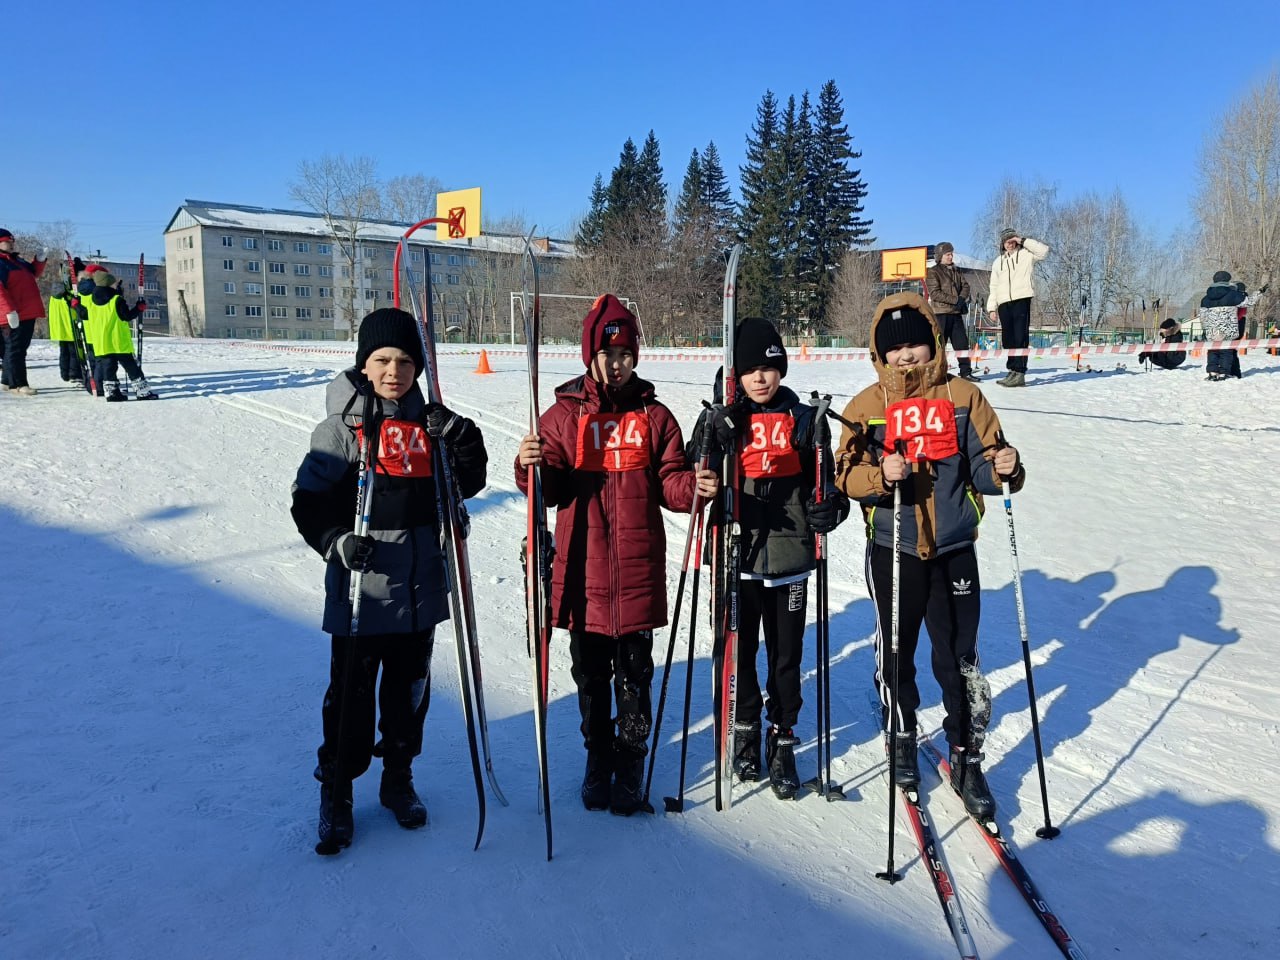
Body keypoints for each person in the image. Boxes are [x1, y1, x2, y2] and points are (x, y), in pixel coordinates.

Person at [291, 307, 488, 851]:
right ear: (363, 364)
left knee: (409, 696)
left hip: (421, 587)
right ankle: (337, 793)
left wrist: (463, 437)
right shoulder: (343, 429)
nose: (393, 370)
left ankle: (398, 779)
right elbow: (308, 501)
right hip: (362, 589)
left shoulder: (432, 425)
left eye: (404, 360)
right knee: (351, 698)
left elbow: (467, 483)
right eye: (381, 360)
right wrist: (334, 540)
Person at [514, 294, 717, 816]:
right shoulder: (563, 416)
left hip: (636, 569)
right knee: (591, 677)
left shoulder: (654, 416)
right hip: (583, 569)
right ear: (589, 355)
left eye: (626, 352)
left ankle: (629, 761)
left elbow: (670, 482)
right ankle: (596, 757)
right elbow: (550, 487)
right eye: (608, 353)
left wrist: (694, 485)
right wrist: (531, 465)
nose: (617, 362)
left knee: (635, 676)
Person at [833, 292, 1025, 821]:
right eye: (894, 348)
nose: (906, 356)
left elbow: (987, 466)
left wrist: (1006, 465)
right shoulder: (867, 407)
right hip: (894, 547)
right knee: (897, 648)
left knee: (960, 655)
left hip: (955, 548)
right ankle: (901, 732)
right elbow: (843, 476)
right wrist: (880, 477)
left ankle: (965, 752)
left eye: (915, 343)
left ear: (934, 343)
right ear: (879, 353)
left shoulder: (965, 397)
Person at [686, 317, 850, 800]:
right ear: (735, 373)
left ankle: (782, 737)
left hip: (790, 559)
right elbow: (692, 478)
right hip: (736, 555)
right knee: (740, 654)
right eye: (751, 369)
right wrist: (711, 438)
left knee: (786, 656)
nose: (761, 378)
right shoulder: (719, 417)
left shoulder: (801, 417)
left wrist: (831, 509)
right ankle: (747, 728)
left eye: (770, 368)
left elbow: (828, 484)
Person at [985, 228, 1049, 388]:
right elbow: (994, 285)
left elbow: (1044, 251)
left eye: (1012, 240)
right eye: (1007, 241)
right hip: (1003, 303)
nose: (1010, 244)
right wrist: (992, 307)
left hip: (1021, 299)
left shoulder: (1026, 255)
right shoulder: (998, 262)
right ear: (1002, 244)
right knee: (1008, 339)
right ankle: (1012, 370)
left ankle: (1020, 372)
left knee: (1020, 337)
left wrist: (1023, 240)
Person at [83, 270, 157, 400]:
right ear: (108, 284)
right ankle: (142, 392)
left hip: (103, 343)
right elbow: (126, 316)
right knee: (131, 367)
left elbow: (84, 315)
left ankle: (112, 393)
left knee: (109, 369)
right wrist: (138, 309)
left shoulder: (91, 301)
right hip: (118, 342)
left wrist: (76, 306)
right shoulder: (116, 300)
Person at [0, 228, 48, 396]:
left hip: (27, 311)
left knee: (16, 348)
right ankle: (18, 384)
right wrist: (9, 311)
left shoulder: (16, 261)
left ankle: (7, 380)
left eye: (12, 241)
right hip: (14, 313)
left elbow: (34, 273)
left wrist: (39, 260)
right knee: (16, 349)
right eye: (8, 241)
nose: (12, 244)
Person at [1196, 271, 1263, 382]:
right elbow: (1248, 302)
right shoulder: (1232, 295)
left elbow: (1202, 316)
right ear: (1227, 280)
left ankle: (1212, 372)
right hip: (1228, 329)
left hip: (1212, 330)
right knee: (1226, 351)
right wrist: (1259, 293)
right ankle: (1224, 373)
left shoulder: (1205, 298)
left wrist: (1206, 329)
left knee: (1213, 350)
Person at [926, 242, 979, 382]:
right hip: (940, 314)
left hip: (955, 314)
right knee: (939, 346)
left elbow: (966, 286)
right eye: (948, 254)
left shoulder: (957, 270)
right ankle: (936, 373)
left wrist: (962, 299)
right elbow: (935, 293)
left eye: (951, 254)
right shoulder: (933, 272)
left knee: (962, 344)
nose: (951, 257)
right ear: (940, 256)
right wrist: (956, 300)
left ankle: (966, 371)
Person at [47, 280, 83, 384]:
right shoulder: (70, 294)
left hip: (59, 328)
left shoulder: (54, 295)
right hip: (70, 327)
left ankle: (65, 373)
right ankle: (74, 374)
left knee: (64, 352)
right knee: (74, 352)